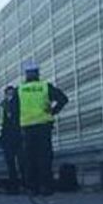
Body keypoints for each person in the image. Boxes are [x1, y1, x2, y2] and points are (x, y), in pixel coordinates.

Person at [18, 60, 69, 196]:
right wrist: (53, 111)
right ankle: (46, 186)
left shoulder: (20, 90)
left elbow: (12, 109)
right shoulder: (45, 87)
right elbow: (63, 99)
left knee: (29, 158)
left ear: (26, 74)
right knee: (44, 157)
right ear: (38, 73)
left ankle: (32, 188)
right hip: (43, 126)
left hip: (27, 128)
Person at [0, 85, 23, 194]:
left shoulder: (19, 103)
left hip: (16, 136)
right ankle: (16, 186)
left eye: (12, 93)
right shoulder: (1, 105)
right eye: (9, 93)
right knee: (12, 163)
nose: (10, 95)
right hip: (8, 137)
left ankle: (21, 185)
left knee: (20, 163)